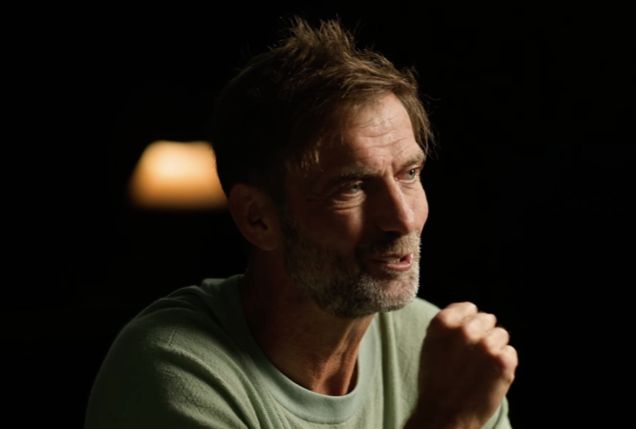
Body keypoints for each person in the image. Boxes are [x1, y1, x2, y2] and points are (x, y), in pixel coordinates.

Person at [85, 18, 517, 429]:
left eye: (409, 174)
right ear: (257, 218)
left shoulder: (436, 349)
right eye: (352, 187)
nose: (402, 218)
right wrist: (444, 419)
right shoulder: (173, 369)